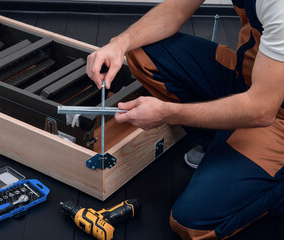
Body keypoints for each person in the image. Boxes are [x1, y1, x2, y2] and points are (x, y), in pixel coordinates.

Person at [86, 0, 284, 239]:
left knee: (191, 224)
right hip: (249, 78)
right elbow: (175, 10)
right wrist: (119, 43)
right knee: (139, 52)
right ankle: (224, 147)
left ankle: (260, 172)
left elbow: (261, 109)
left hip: (273, 113)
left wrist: (167, 112)